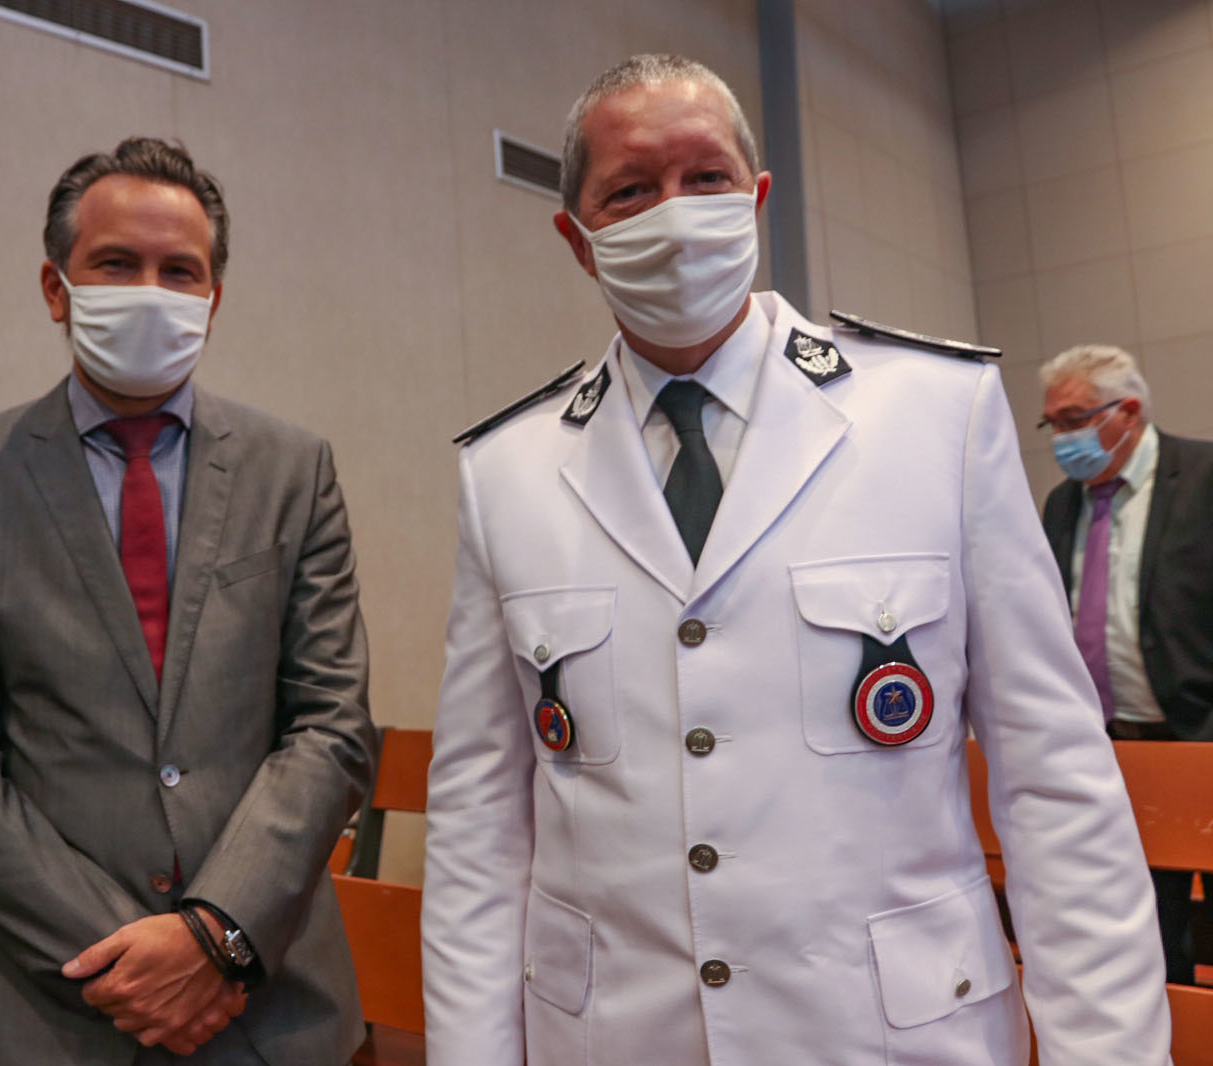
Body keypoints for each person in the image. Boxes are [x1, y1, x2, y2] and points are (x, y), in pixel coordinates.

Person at [422, 54, 1170, 1066]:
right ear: (577, 237)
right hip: (617, 1038)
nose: (674, 215)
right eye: (631, 191)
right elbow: (478, 824)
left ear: (758, 198)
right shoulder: (506, 470)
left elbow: (1052, 779)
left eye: (706, 178)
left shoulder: (932, 413)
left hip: (891, 1034)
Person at [0, 137, 375, 1066]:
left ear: (213, 300)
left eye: (179, 271)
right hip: (55, 1008)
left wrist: (215, 936)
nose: (150, 290)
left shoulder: (293, 471)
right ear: (55, 286)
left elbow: (332, 725)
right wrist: (133, 963)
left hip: (268, 1003)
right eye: (116, 263)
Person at [1039, 343, 1213, 983]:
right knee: (1148, 934)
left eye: (1074, 418)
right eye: (1053, 424)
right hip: (1118, 755)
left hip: (1203, 742)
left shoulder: (1202, 476)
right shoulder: (1064, 504)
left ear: (1128, 410)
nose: (1062, 437)